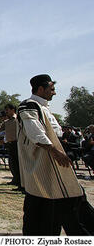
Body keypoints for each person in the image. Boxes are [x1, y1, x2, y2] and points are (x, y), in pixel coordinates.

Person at [17, 74, 86, 235]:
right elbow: (35, 133)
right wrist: (54, 152)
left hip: (54, 164)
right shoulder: (29, 106)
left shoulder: (44, 108)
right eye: (51, 89)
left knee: (59, 205)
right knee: (42, 205)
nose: (54, 93)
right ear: (40, 89)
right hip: (43, 163)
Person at [0, 104, 22, 191]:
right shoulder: (7, 121)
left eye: (7, 110)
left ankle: (21, 184)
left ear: (13, 110)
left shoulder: (18, 119)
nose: (6, 112)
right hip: (10, 144)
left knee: (19, 164)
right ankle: (15, 180)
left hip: (17, 144)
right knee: (13, 164)